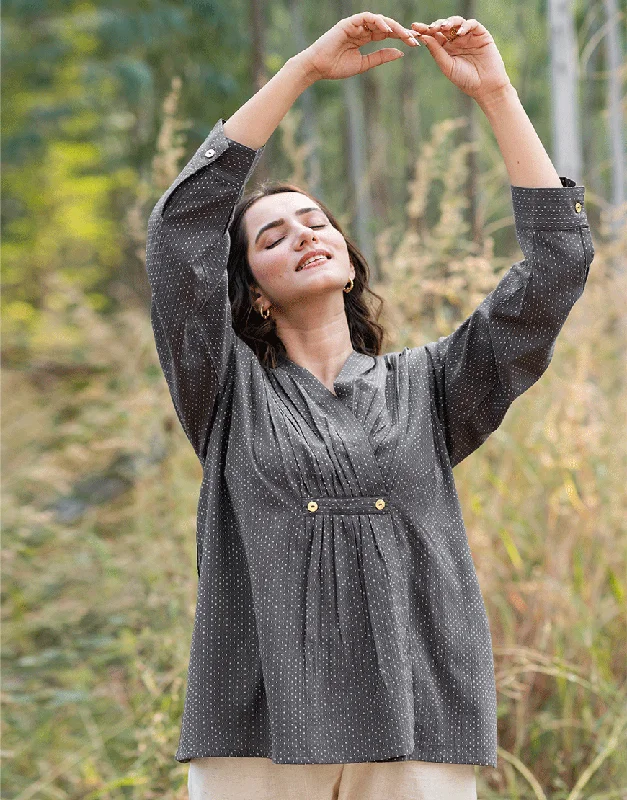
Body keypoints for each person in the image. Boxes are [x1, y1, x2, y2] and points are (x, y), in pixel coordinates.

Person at [144, 11, 595, 800]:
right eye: (272, 236)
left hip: (417, 715)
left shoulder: (433, 388)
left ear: (348, 262)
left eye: (315, 221)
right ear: (249, 290)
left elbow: (557, 264)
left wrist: (493, 91)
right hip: (256, 723)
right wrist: (303, 71)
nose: (301, 235)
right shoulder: (223, 390)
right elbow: (180, 229)